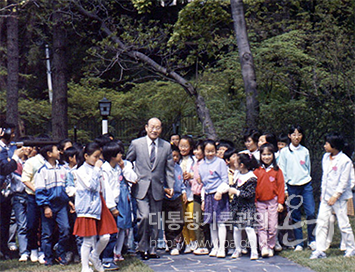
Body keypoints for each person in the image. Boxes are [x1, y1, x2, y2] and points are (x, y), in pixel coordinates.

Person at [126, 117, 174, 260]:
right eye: (152, 127)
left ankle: (152, 249)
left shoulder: (166, 146)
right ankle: (142, 247)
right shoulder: (136, 144)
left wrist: (170, 186)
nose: (154, 130)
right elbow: (128, 162)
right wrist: (131, 178)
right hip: (140, 187)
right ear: (146, 127)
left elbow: (169, 169)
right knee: (144, 217)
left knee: (154, 219)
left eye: (158, 127)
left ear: (161, 129)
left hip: (158, 188)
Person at [71, 142, 117, 272]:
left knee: (106, 236)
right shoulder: (79, 171)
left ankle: (95, 255)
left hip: (100, 204)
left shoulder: (99, 170)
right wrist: (97, 170)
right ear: (86, 156)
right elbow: (90, 186)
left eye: (99, 157)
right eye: (95, 157)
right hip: (87, 208)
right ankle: (85, 267)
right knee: (88, 239)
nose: (97, 160)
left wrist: (111, 205)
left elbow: (104, 187)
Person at [310, 132, 355, 259]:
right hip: (326, 197)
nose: (325, 146)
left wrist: (336, 195)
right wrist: (323, 193)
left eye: (327, 144)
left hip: (339, 198)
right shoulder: (325, 157)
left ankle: (351, 248)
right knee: (322, 222)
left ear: (334, 145)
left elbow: (344, 181)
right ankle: (320, 249)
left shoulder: (345, 161)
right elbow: (325, 177)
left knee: (343, 223)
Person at [278, 125, 316, 251]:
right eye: (294, 134)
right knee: (295, 214)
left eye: (299, 134)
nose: (296, 137)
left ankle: (312, 240)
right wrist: (285, 189)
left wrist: (306, 180)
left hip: (305, 184)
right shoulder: (284, 152)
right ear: (289, 136)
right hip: (291, 186)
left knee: (310, 212)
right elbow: (282, 171)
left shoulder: (305, 151)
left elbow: (307, 169)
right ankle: (299, 242)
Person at [101, 141, 137, 269]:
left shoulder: (120, 167)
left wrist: (124, 168)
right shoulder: (105, 169)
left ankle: (112, 256)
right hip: (110, 205)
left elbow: (134, 178)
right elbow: (107, 190)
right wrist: (112, 207)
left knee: (117, 231)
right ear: (112, 156)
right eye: (119, 153)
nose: (121, 155)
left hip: (120, 202)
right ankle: (105, 258)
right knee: (109, 233)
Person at [34, 144, 71, 266]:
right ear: (49, 154)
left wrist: (69, 201)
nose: (59, 152)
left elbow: (65, 187)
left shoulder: (62, 169)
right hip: (49, 205)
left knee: (65, 229)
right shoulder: (42, 171)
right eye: (56, 150)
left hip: (61, 205)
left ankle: (60, 253)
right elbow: (39, 191)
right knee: (47, 233)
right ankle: (48, 257)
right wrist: (45, 206)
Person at [199, 139, 229, 258]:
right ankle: (215, 247)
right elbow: (204, 185)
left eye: (212, 151)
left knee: (221, 222)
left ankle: (222, 248)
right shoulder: (201, 166)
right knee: (212, 224)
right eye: (207, 151)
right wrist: (203, 199)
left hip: (219, 195)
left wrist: (220, 191)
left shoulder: (220, 162)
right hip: (208, 196)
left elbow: (225, 181)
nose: (210, 154)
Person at [254, 143, 285, 257]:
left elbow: (281, 187)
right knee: (262, 225)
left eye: (269, 154)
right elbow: (254, 187)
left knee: (272, 226)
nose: (266, 157)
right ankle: (263, 247)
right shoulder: (257, 171)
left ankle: (271, 245)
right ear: (260, 156)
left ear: (273, 155)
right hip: (260, 202)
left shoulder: (277, 171)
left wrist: (280, 202)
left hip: (273, 201)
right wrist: (255, 202)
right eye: (264, 154)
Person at [0, 123, 24, 260]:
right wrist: (15, 157)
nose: (13, 135)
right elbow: (4, 168)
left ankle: (3, 249)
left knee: (5, 222)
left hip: (7, 192)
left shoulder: (8, 148)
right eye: (11, 132)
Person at [229, 153, 259, 260]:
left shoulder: (251, 178)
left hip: (247, 207)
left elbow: (249, 194)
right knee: (236, 228)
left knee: (249, 228)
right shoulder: (237, 174)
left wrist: (236, 192)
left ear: (242, 165)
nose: (234, 163)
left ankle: (254, 251)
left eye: (236, 162)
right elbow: (233, 186)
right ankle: (238, 249)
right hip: (237, 206)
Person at [163, 145, 186, 255]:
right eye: (173, 156)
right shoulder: (163, 168)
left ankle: (176, 239)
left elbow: (181, 183)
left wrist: (184, 191)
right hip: (166, 198)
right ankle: (171, 245)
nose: (175, 158)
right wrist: (165, 190)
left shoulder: (178, 168)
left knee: (180, 221)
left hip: (177, 197)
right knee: (169, 223)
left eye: (177, 156)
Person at [178, 135, 197, 253]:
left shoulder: (194, 160)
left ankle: (194, 240)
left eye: (186, 146)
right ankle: (187, 242)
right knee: (182, 220)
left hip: (191, 193)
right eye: (181, 146)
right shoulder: (176, 160)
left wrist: (191, 175)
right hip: (179, 193)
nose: (183, 148)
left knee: (191, 218)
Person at [191, 140, 209, 255]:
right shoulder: (195, 163)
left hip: (204, 195)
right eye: (195, 149)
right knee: (196, 220)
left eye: (199, 149)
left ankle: (205, 244)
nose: (196, 152)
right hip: (196, 195)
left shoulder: (205, 164)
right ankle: (200, 244)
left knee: (204, 221)